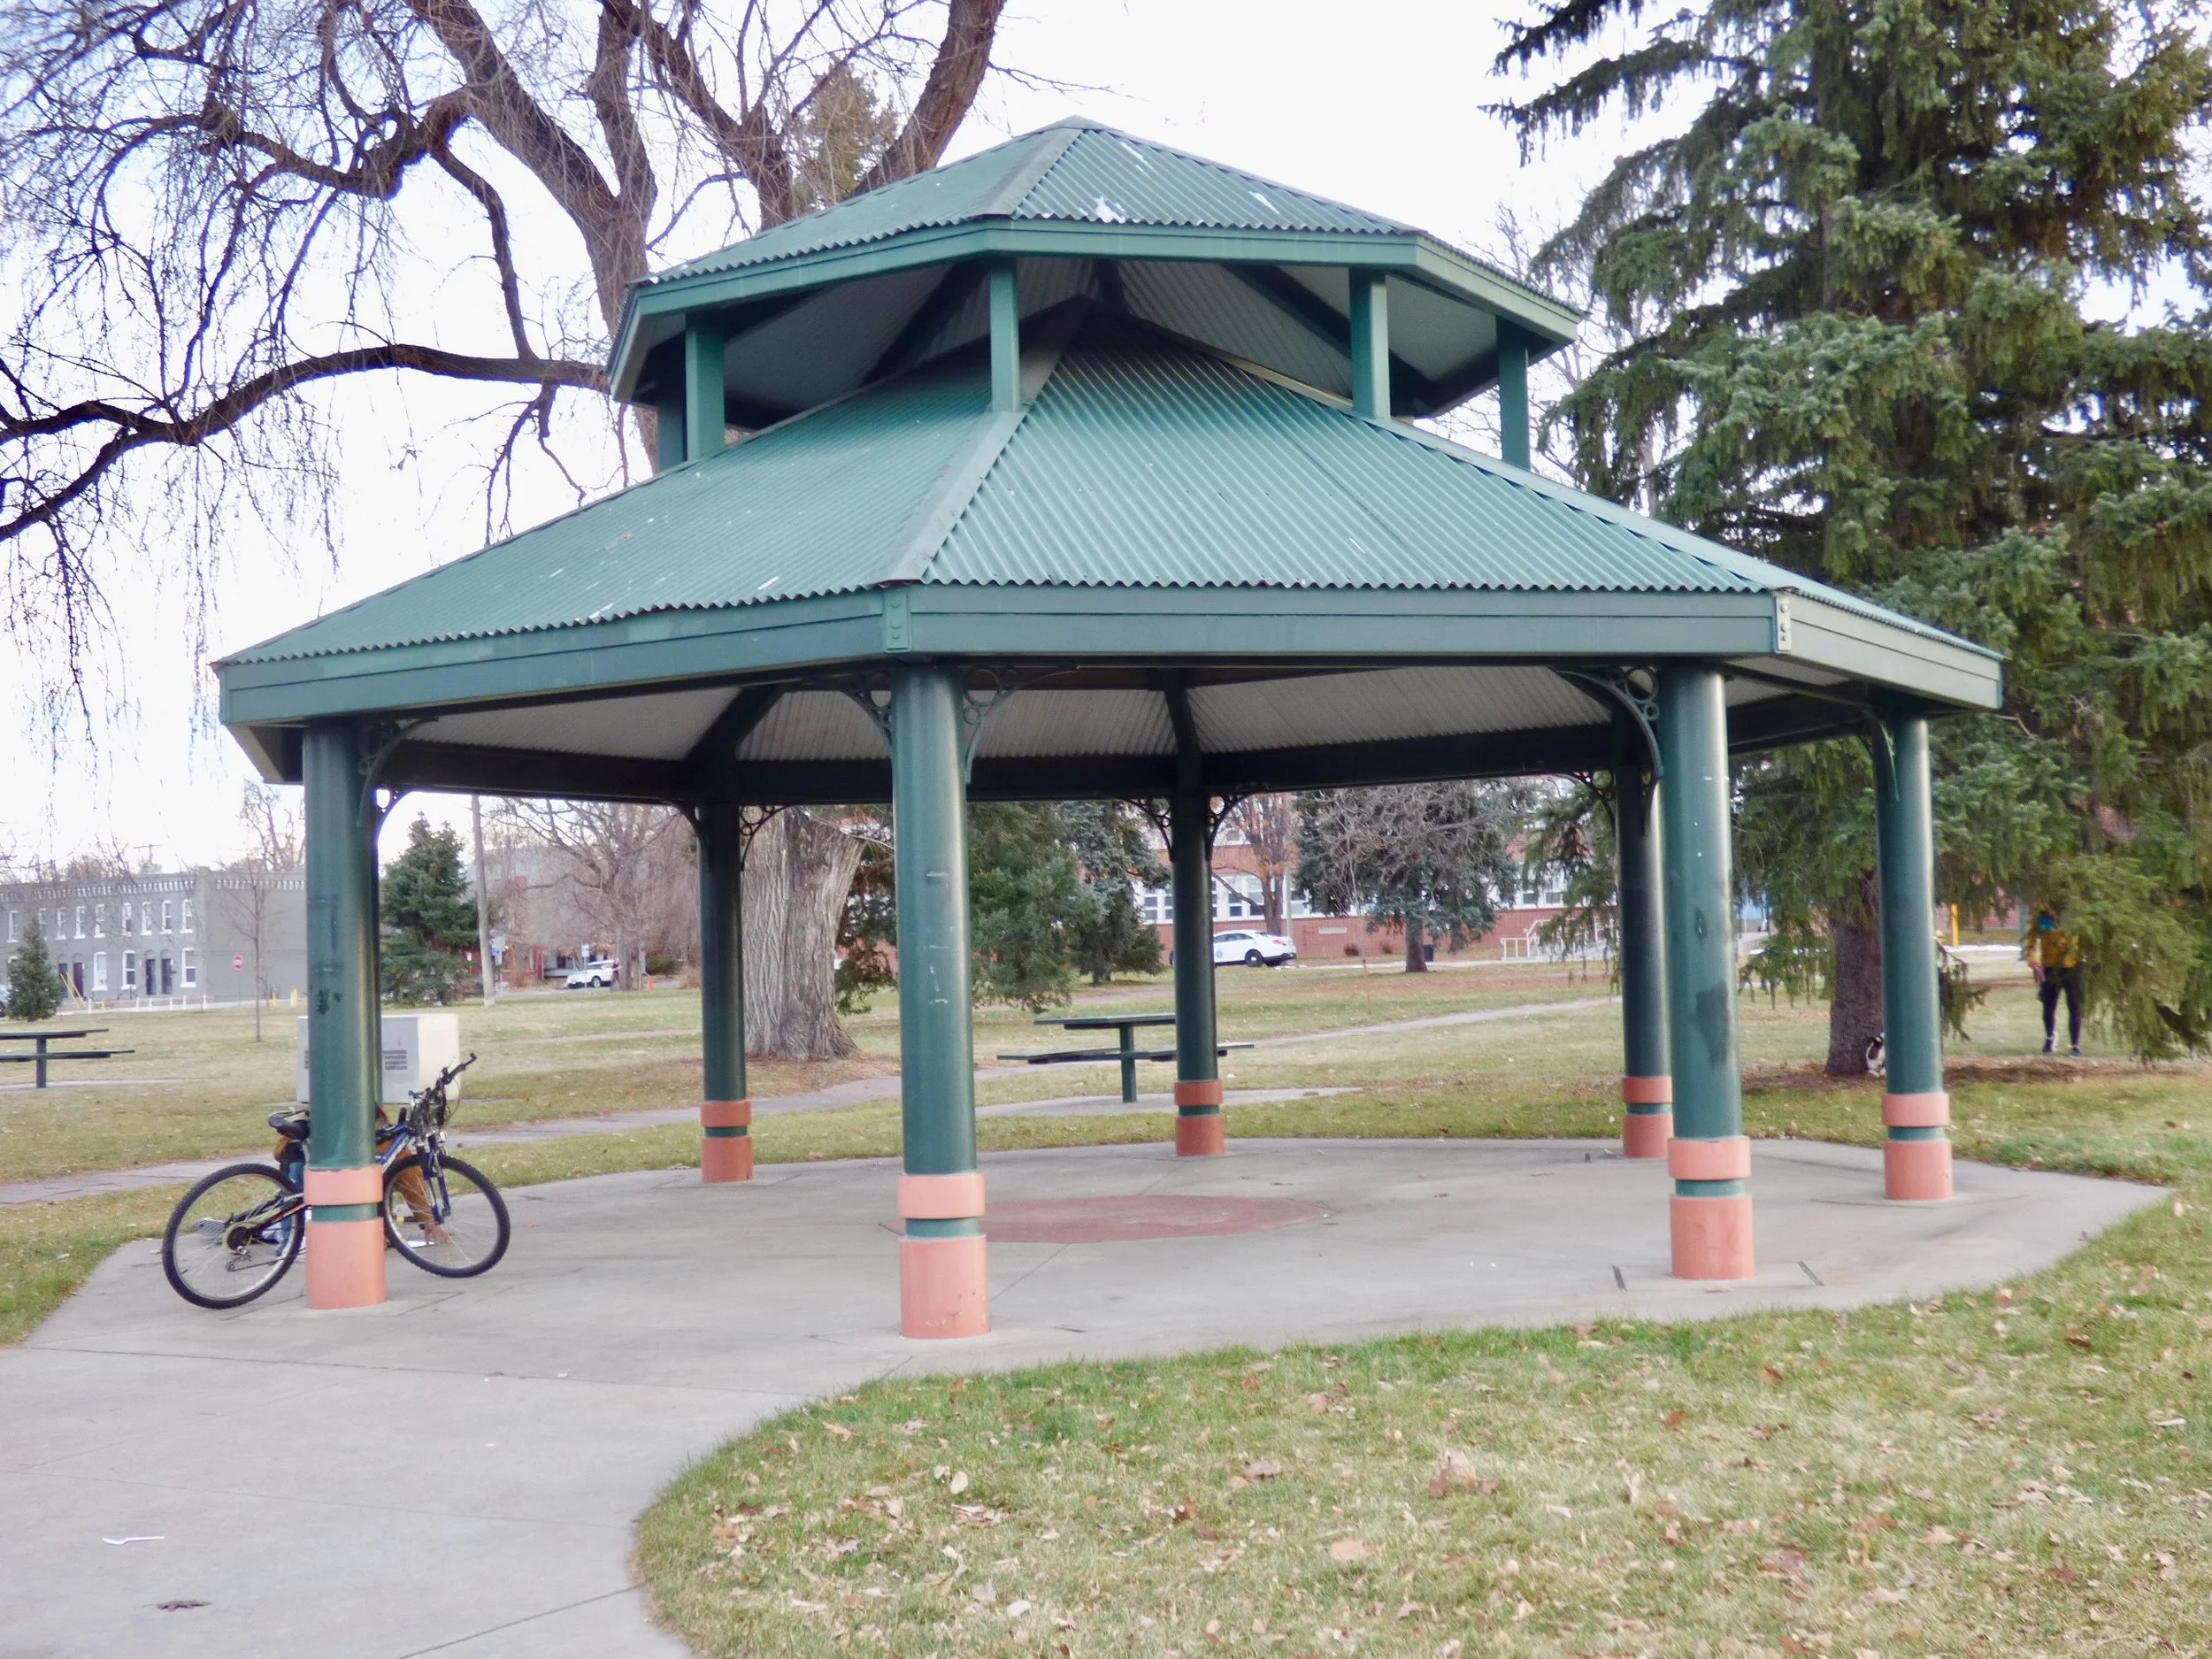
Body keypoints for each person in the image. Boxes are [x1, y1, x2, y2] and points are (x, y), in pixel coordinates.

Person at [2024, 905, 2083, 1057]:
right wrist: (2033, 961)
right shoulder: (2041, 913)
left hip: (2072, 965)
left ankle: (2075, 1045)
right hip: (2049, 965)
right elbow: (2031, 938)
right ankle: (2050, 1037)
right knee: (2048, 1006)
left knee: (2074, 1005)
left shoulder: (2075, 909)